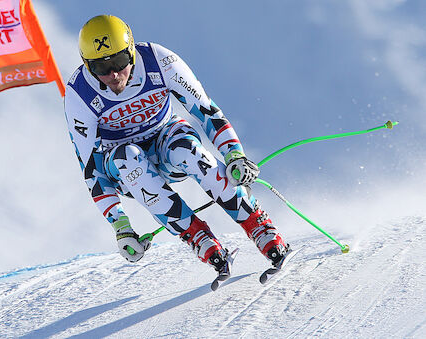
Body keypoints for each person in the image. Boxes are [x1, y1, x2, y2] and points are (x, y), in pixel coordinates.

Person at [64, 15, 289, 277]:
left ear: (132, 52)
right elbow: (91, 168)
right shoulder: (79, 94)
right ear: (86, 65)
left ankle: (259, 226)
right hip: (125, 168)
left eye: (119, 61)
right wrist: (121, 226)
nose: (113, 74)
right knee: (128, 157)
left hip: (165, 139)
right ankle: (201, 240)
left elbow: (206, 111)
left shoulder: (160, 61)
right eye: (100, 68)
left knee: (186, 147)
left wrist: (234, 154)